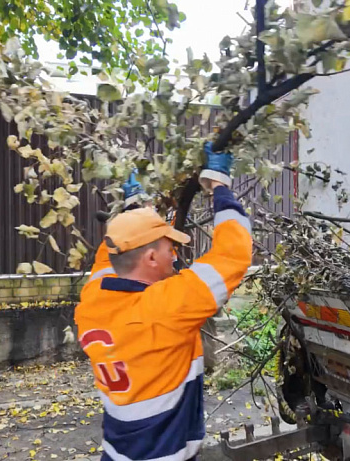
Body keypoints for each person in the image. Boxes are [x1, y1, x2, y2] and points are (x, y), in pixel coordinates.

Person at [74, 143, 253, 461]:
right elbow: (234, 254)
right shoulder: (167, 309)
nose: (176, 255)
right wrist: (220, 186)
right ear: (152, 256)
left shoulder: (93, 298)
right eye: (170, 247)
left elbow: (113, 251)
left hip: (117, 453)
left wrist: (135, 209)